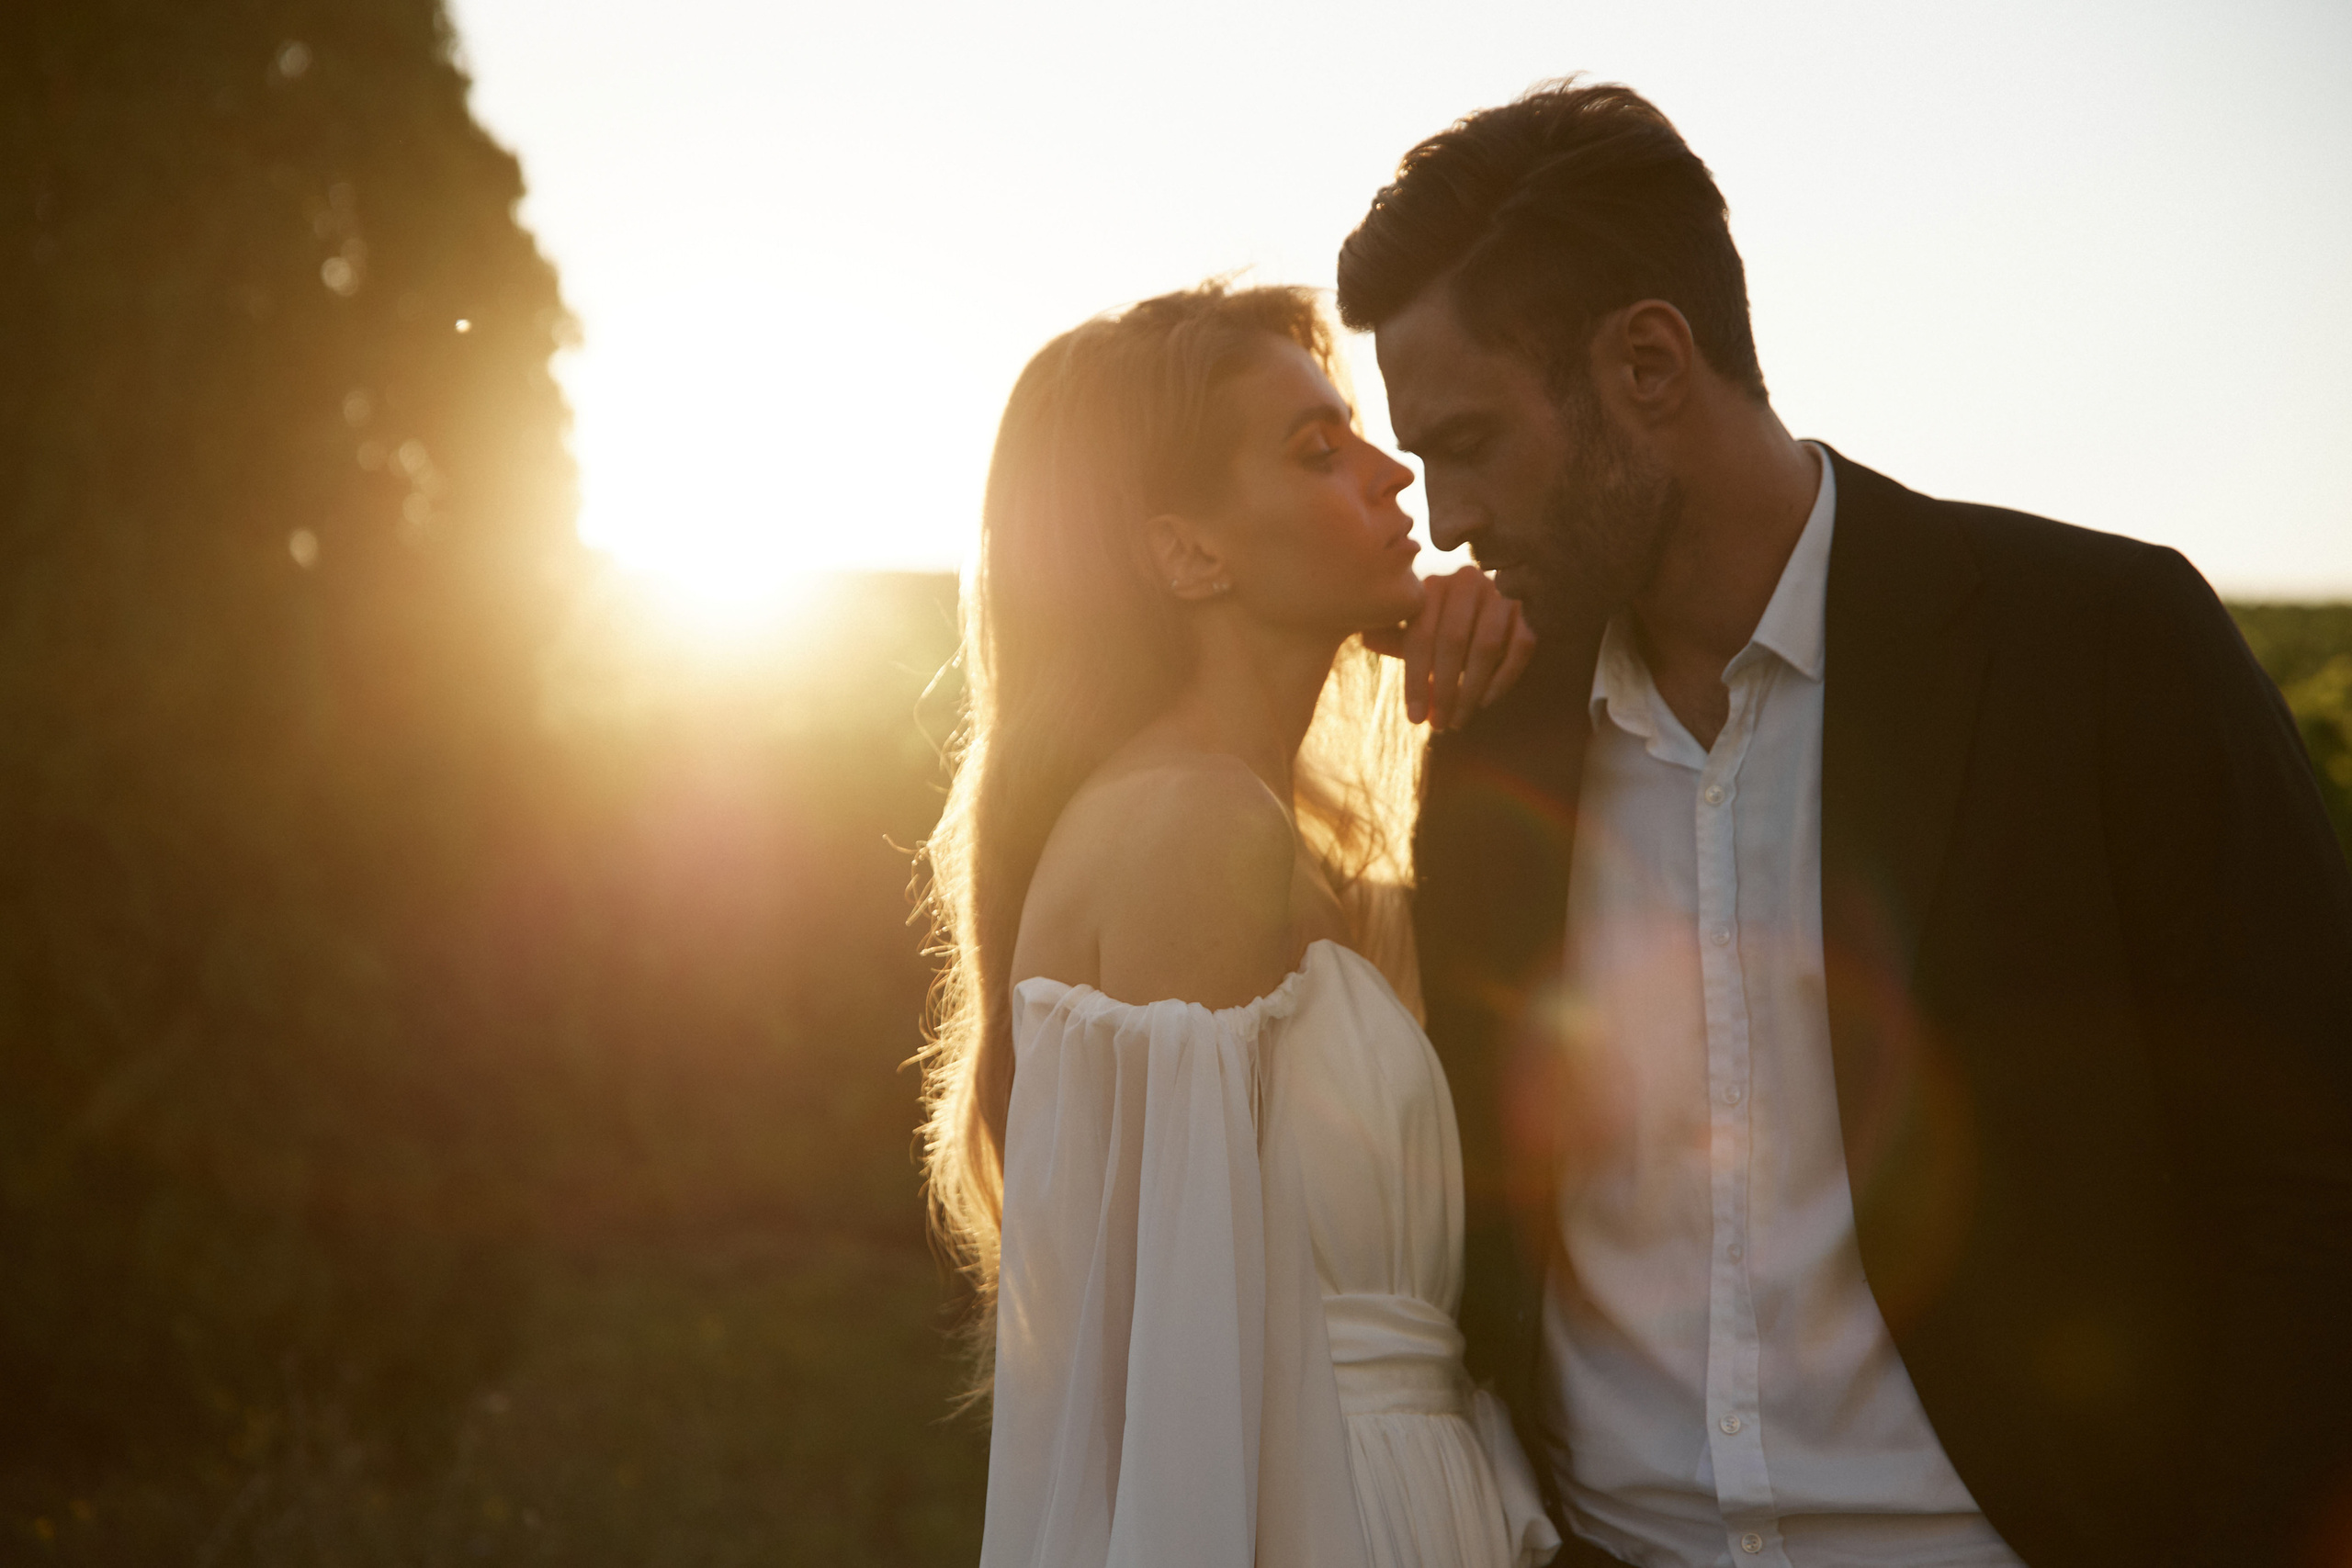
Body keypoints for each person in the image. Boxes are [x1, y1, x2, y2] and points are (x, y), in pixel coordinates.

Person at [1334, 79, 2352, 1568]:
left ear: (1648, 364)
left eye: (1471, 441)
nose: (1445, 514)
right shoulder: (1498, 731)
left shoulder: (2099, 646)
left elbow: (2307, 1172)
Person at [922, 282, 1565, 1567]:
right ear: (1186, 554)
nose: (1397, 479)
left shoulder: (1264, 836)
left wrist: (1501, 684)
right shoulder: (1196, 830)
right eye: (1317, 451)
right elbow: (1180, 1391)